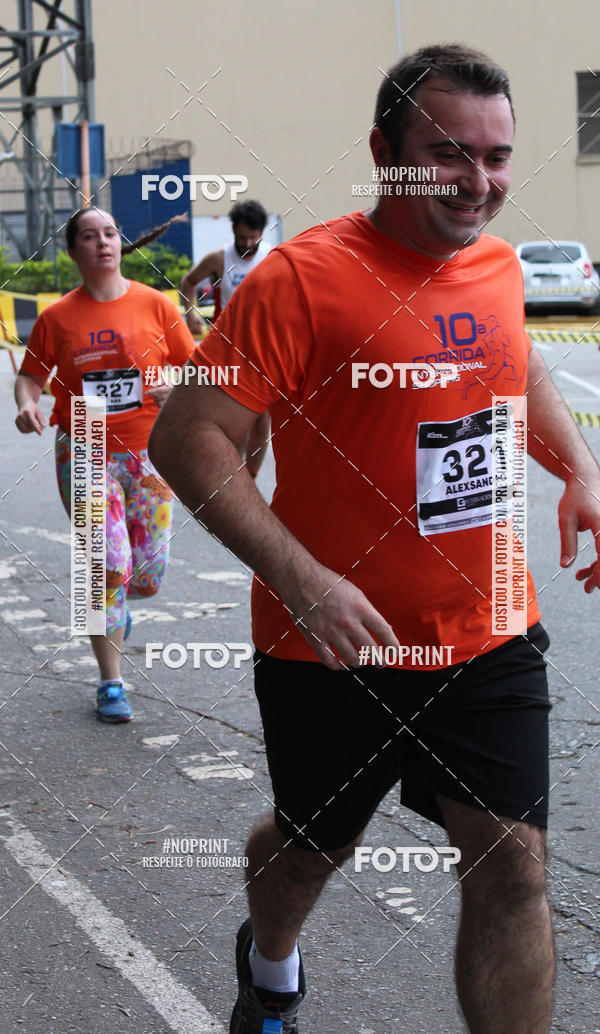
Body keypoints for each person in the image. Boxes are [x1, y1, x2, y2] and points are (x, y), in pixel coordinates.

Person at [149, 44, 600, 1034]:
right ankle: (270, 965)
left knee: (514, 861)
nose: (478, 182)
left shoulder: (492, 264)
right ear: (383, 152)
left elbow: (517, 367)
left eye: (496, 156)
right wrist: (302, 578)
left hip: (486, 632)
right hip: (330, 641)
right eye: (448, 154)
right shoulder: (303, 283)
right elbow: (186, 437)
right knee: (309, 849)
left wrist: (580, 468)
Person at [15, 207, 196, 723]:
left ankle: (115, 615)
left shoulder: (157, 307)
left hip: (150, 452)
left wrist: (177, 389)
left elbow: (195, 370)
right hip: (85, 447)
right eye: (89, 236)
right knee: (104, 568)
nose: (103, 243)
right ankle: (110, 681)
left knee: (146, 575)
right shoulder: (56, 318)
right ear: (74, 252)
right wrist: (26, 403)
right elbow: (30, 376)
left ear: (120, 244)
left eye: (110, 234)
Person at [180, 199, 271, 479]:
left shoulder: (273, 256)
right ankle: (234, 473)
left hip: (263, 347)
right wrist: (190, 313)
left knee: (262, 418)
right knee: (238, 415)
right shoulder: (219, 258)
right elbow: (188, 282)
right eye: (241, 237)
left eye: (252, 237)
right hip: (228, 347)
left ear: (261, 234)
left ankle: (250, 477)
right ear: (233, 230)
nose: (247, 243)